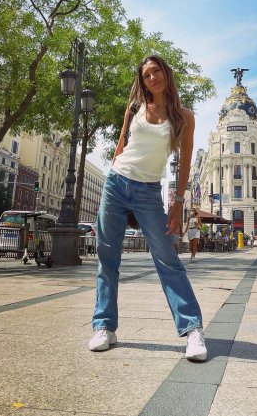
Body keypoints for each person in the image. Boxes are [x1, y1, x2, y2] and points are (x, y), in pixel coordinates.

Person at [89, 55, 207, 361]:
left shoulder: (183, 117)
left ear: (166, 74)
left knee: (167, 259)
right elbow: (120, 146)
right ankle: (104, 326)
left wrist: (177, 206)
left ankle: (192, 330)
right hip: (116, 184)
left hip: (149, 191)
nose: (151, 78)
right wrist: (114, 169)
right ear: (142, 81)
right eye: (146, 75)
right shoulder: (134, 108)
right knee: (107, 258)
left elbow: (183, 166)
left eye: (156, 72)